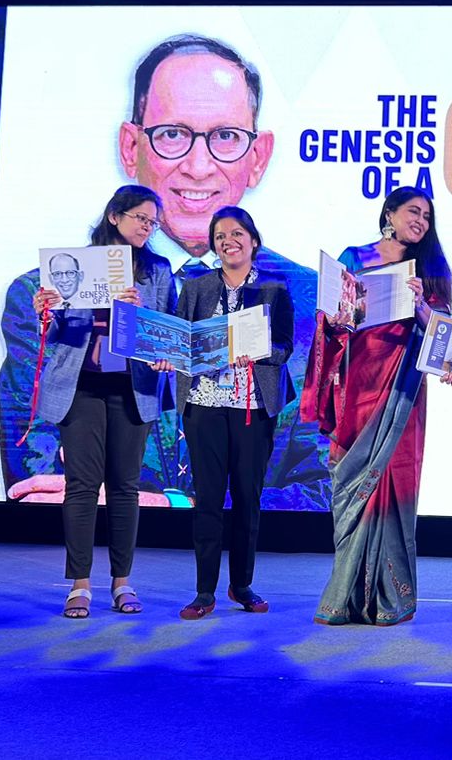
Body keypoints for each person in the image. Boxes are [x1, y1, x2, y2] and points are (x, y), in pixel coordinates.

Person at [0, 33, 324, 512]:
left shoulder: (309, 301)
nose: (198, 166)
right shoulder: (48, 290)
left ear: (258, 157)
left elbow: (326, 489)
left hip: (239, 544)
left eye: (226, 137)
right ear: (131, 146)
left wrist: (176, 505)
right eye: (173, 134)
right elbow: (37, 477)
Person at [303, 186, 452, 626]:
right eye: (413, 212)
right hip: (357, 386)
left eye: (427, 216)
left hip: (401, 392)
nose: (421, 221)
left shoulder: (429, 271)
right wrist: (341, 316)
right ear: (389, 214)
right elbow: (329, 321)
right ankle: (345, 596)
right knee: (351, 485)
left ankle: (391, 598)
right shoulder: (354, 258)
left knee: (394, 479)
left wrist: (420, 305)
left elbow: (443, 335)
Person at [33, 185, 177, 618]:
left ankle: (122, 582)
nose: (147, 228)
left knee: (124, 487)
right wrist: (46, 311)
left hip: (133, 387)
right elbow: (55, 334)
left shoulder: (157, 270)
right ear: (115, 216)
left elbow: (168, 329)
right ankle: (79, 584)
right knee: (81, 486)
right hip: (80, 386)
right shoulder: (74, 264)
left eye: (153, 223)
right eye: (140, 218)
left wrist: (140, 316)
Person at [172, 207, 295, 620]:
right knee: (207, 500)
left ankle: (241, 584)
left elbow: (284, 348)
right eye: (220, 236)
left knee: (247, 499)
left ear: (253, 241)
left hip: (252, 407)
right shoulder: (196, 288)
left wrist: (258, 352)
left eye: (237, 233)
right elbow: (179, 341)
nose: (229, 241)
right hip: (204, 405)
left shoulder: (274, 290)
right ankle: (203, 592)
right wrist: (167, 356)